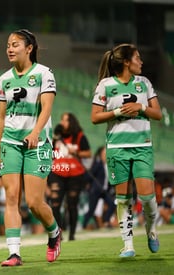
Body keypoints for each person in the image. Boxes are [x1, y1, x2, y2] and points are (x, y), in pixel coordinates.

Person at [0, 29, 61, 267]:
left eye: (15, 45)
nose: (10, 49)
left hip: (38, 142)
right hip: (10, 143)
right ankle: (14, 253)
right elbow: (1, 117)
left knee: (34, 202)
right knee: (11, 197)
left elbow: (46, 108)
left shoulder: (44, 74)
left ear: (29, 48)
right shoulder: (4, 79)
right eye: (8, 45)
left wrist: (35, 132)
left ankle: (54, 232)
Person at [91, 43, 162, 257]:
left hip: (142, 146)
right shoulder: (105, 85)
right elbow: (95, 117)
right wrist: (118, 112)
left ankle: (151, 229)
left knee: (147, 197)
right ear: (126, 62)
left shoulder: (144, 83)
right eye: (137, 58)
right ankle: (128, 244)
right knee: (123, 198)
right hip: (117, 148)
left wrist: (140, 107)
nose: (141, 62)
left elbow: (158, 114)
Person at [48, 112, 91, 241]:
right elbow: (50, 152)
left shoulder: (79, 136)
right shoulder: (56, 136)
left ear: (71, 122)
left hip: (75, 174)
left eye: (65, 120)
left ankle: (72, 234)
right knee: (55, 204)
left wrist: (76, 152)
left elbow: (88, 153)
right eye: (61, 120)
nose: (62, 122)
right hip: (57, 172)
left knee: (72, 204)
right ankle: (58, 233)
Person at [82, 146, 116, 229]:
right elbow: (89, 175)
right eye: (104, 153)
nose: (106, 155)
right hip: (96, 190)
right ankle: (84, 225)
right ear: (101, 154)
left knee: (112, 204)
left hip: (104, 190)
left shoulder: (108, 165)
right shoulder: (98, 163)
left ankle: (106, 221)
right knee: (91, 210)